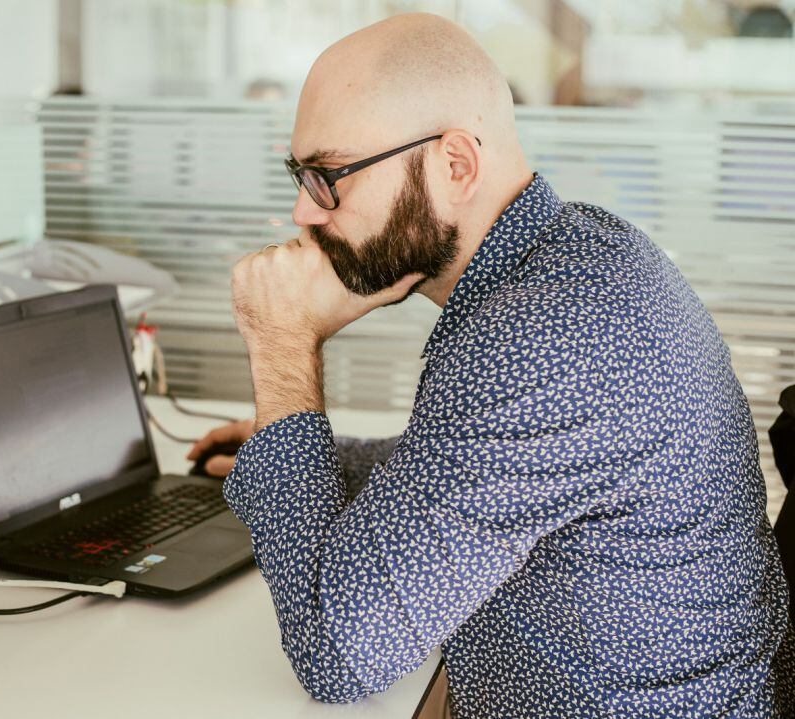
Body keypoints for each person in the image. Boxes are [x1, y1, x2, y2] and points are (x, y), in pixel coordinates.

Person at [186, 12, 794, 718]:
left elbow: (335, 652)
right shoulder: (578, 251)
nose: (304, 212)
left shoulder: (536, 341)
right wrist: (323, 459)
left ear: (455, 165)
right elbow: (478, 462)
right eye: (300, 175)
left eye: (329, 177)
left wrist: (281, 341)